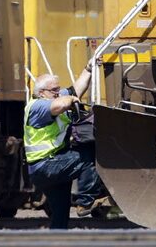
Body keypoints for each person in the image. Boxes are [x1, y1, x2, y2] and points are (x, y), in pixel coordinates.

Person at [24, 64, 108, 229]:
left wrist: (88, 69)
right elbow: (59, 105)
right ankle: (85, 202)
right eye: (54, 90)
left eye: (58, 89)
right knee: (87, 154)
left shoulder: (53, 96)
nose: (58, 92)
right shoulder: (37, 106)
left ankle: (58, 239)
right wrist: (70, 100)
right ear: (41, 93)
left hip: (48, 167)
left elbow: (75, 89)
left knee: (61, 213)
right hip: (46, 165)